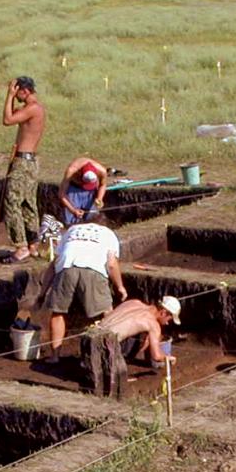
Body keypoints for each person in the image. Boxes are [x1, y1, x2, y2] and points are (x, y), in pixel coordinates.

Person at [38, 222, 127, 363]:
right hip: (93, 269)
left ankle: (55, 356)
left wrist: (42, 293)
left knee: (58, 312)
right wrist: (120, 287)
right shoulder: (109, 234)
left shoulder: (72, 230)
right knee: (107, 313)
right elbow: (111, 264)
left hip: (66, 267)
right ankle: (110, 355)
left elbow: (54, 263)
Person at [1, 75, 46, 262]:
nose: (15, 95)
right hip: (29, 161)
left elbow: (7, 120)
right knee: (28, 203)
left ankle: (21, 246)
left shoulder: (33, 109)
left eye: (17, 91)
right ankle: (33, 245)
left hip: (23, 162)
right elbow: (13, 114)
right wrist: (11, 97)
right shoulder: (33, 108)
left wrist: (9, 96)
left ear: (25, 91)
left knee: (12, 202)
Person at [96, 296, 181, 367]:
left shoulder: (134, 302)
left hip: (93, 332)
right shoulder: (153, 324)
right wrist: (168, 358)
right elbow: (156, 356)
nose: (166, 323)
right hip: (101, 344)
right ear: (163, 313)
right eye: (169, 319)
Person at [59, 156, 108, 227]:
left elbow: (103, 185)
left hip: (91, 192)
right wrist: (73, 210)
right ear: (80, 174)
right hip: (74, 190)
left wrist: (99, 198)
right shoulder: (71, 170)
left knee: (92, 217)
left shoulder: (102, 171)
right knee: (71, 220)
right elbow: (61, 194)